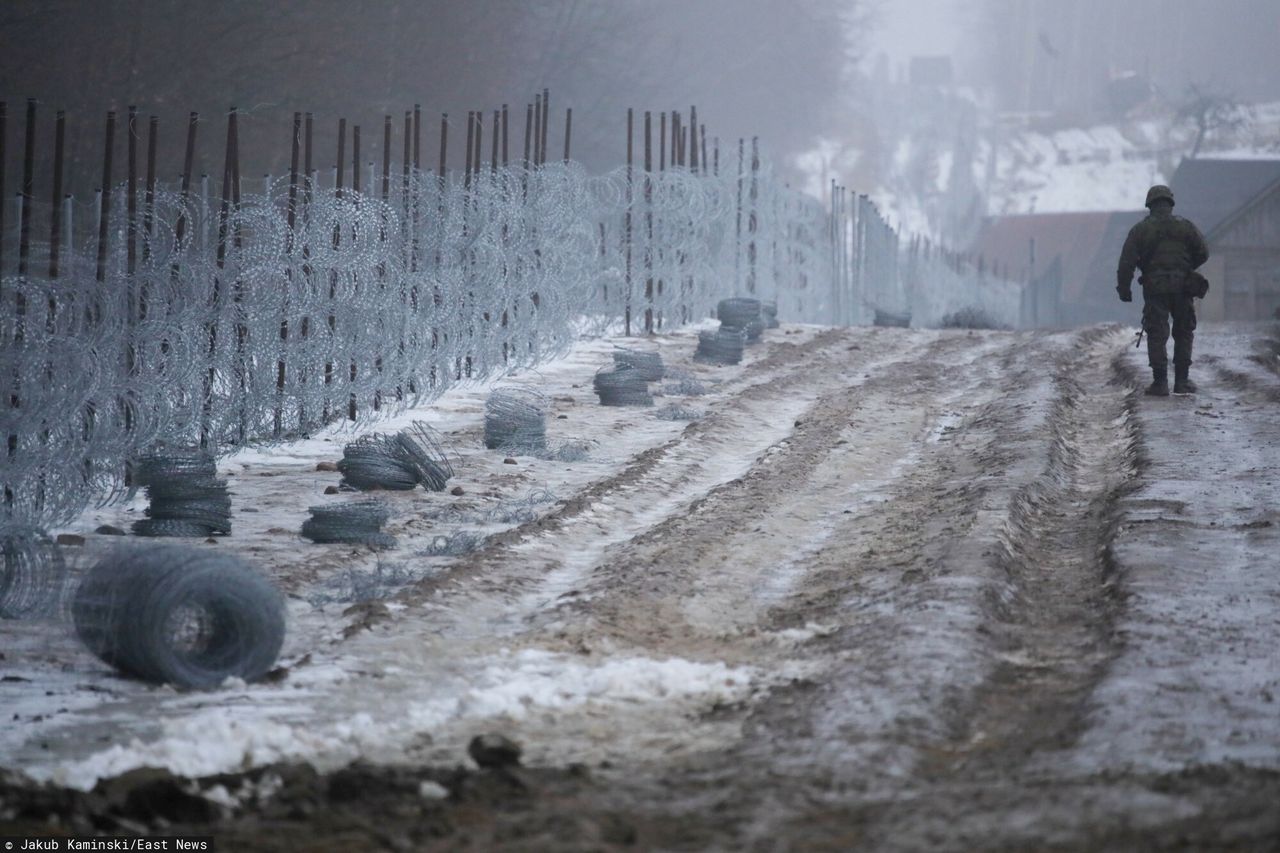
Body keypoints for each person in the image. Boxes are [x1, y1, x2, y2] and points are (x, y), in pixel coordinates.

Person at [1116, 184, 1210, 396]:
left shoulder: (1140, 230)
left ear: (1150, 205)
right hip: (1183, 287)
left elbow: (1126, 262)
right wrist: (1184, 268)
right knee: (1183, 332)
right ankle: (1182, 381)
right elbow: (1203, 252)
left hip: (1155, 289)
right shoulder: (1185, 226)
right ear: (1169, 203)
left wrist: (1124, 289)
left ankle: (1160, 383)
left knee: (1157, 333)